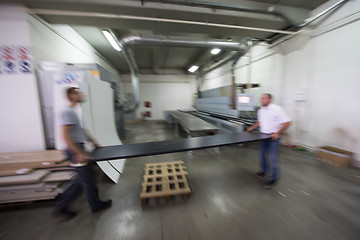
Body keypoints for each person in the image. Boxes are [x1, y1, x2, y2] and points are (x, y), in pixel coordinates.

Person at [53, 87, 112, 218]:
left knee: (85, 179)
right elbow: (65, 135)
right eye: (78, 92)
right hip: (75, 149)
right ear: (71, 96)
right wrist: (77, 153)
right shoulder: (67, 111)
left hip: (78, 147)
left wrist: (93, 141)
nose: (81, 94)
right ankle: (93, 205)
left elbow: (81, 131)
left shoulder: (74, 111)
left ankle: (63, 205)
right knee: (87, 179)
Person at [246, 93, 291, 188]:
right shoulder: (261, 110)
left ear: (270, 99)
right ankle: (264, 171)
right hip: (263, 136)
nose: (261, 100)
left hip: (273, 137)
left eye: (264, 98)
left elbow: (287, 122)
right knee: (261, 155)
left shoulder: (277, 109)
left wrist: (278, 133)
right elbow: (259, 122)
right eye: (261, 98)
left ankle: (274, 178)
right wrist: (251, 128)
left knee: (272, 157)